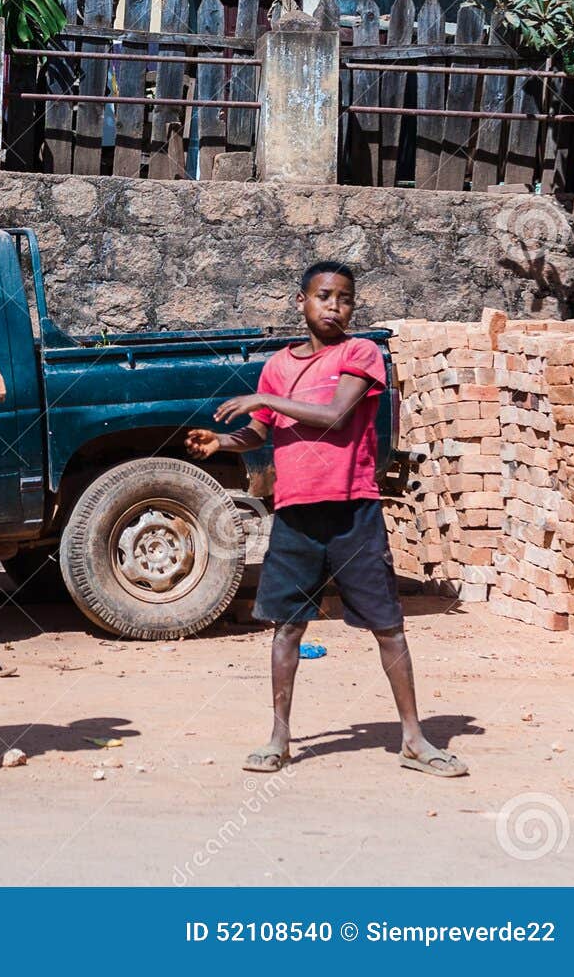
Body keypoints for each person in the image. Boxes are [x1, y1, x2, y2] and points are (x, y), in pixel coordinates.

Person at [185, 261, 468, 778]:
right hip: (295, 514)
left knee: (388, 626)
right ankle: (278, 738)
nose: (334, 307)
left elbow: (336, 414)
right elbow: (260, 432)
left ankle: (413, 737)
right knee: (286, 627)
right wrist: (222, 442)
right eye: (323, 296)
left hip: (353, 510)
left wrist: (265, 399)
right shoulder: (276, 367)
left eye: (344, 299)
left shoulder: (360, 354)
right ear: (301, 302)